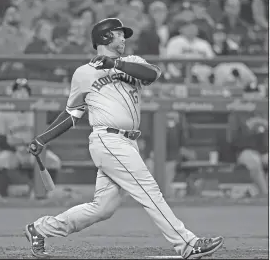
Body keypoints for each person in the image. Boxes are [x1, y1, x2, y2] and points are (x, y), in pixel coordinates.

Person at [24, 18, 224, 259]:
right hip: (107, 139)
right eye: (119, 34)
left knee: (102, 209)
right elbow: (73, 113)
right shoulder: (83, 73)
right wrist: (43, 139)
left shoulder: (131, 62)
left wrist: (116, 63)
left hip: (128, 142)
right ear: (106, 37)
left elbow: (152, 74)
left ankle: (40, 228)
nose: (124, 39)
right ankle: (187, 244)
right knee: (149, 190)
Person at [0, 79, 61, 199]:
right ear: (12, 94)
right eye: (18, 91)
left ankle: (46, 193)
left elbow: (46, 136)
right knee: (1, 160)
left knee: (54, 161)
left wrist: (32, 150)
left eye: (24, 91)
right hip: (12, 151)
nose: (21, 94)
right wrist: (15, 150)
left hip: (34, 151)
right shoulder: (3, 112)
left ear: (29, 95)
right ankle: (2, 196)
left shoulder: (37, 110)